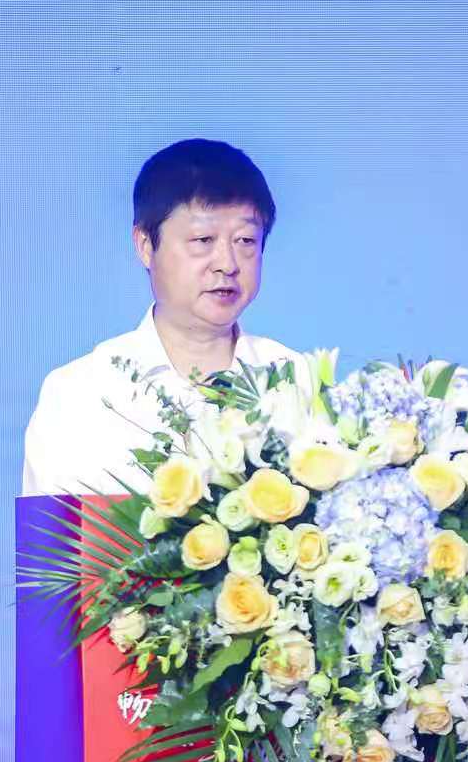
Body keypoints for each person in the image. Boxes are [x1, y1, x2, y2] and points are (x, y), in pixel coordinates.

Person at [21, 139, 304, 496]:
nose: (227, 264)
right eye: (203, 239)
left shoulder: (296, 380)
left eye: (245, 240)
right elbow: (48, 534)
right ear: (145, 245)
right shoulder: (77, 394)